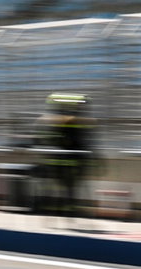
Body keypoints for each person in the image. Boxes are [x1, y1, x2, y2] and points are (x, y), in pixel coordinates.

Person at [35, 93, 96, 221]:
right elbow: (87, 141)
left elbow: (44, 139)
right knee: (69, 189)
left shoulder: (52, 120)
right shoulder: (80, 121)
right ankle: (67, 211)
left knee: (56, 188)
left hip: (58, 161)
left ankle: (55, 210)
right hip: (72, 161)